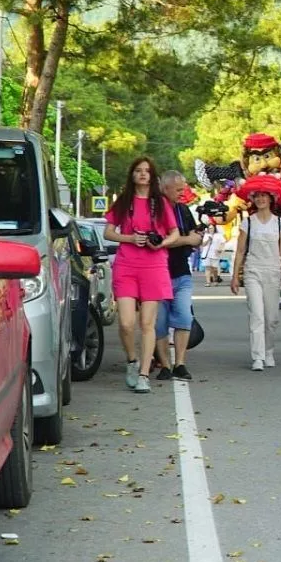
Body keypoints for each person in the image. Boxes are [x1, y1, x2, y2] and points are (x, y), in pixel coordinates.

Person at [104, 157, 180, 394]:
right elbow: (108, 232)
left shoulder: (161, 203)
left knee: (148, 323)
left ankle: (144, 374)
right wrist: (129, 238)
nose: (143, 174)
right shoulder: (123, 202)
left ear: (152, 175)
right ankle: (131, 360)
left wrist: (162, 243)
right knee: (127, 322)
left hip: (154, 265)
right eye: (138, 170)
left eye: (147, 171)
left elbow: (175, 233)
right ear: (133, 175)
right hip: (127, 265)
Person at [230, 175, 281, 371]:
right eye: (257, 196)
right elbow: (240, 250)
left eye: (265, 196)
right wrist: (235, 276)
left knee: (271, 317)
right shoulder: (248, 223)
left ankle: (269, 351)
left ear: (271, 198)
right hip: (253, 270)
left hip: (273, 271)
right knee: (257, 314)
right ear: (253, 199)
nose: (261, 199)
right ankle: (257, 356)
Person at [153, 171, 203, 381]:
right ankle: (164, 365)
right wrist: (186, 240)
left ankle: (180, 363)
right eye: (179, 189)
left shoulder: (183, 210)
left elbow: (197, 238)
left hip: (182, 273)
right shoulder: (155, 213)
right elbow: (159, 242)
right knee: (160, 323)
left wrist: (194, 238)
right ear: (165, 189)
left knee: (184, 318)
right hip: (158, 274)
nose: (183, 193)